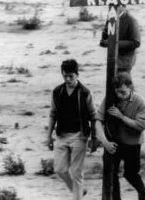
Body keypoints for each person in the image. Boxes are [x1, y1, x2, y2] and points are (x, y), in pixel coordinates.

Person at [47, 59, 97, 200]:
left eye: (71, 76)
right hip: (62, 135)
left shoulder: (85, 93)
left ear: (77, 74)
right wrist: (48, 136)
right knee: (60, 169)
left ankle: (77, 196)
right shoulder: (57, 92)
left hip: (79, 136)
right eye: (65, 76)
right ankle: (79, 190)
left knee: (76, 172)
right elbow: (53, 113)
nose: (68, 79)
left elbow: (93, 117)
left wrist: (94, 139)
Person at [95, 72, 145, 200]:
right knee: (112, 175)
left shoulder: (139, 101)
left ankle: (143, 192)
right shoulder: (110, 99)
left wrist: (121, 117)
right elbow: (98, 120)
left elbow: (141, 126)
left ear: (130, 87)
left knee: (130, 174)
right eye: (117, 92)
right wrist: (105, 141)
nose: (120, 96)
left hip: (132, 144)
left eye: (123, 92)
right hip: (116, 143)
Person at [100, 5, 141, 73]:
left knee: (123, 81)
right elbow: (105, 37)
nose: (112, 7)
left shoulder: (131, 20)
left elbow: (136, 42)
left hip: (125, 61)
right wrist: (104, 42)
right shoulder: (111, 18)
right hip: (112, 59)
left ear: (122, 6)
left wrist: (113, 43)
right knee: (112, 81)